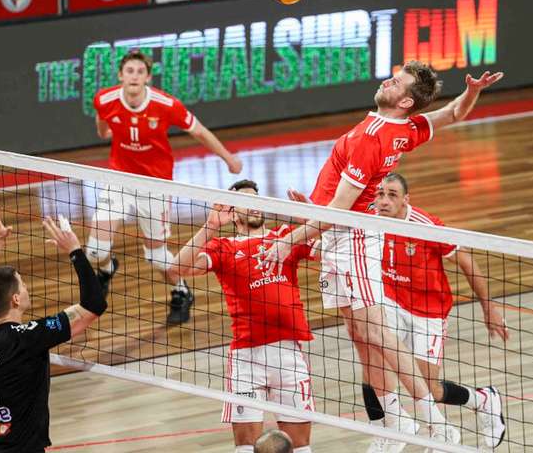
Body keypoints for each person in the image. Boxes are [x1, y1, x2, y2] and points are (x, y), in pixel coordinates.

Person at [266, 61, 504, 446]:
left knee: (378, 333)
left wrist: (291, 239)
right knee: (360, 336)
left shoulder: (373, 138)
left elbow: (341, 208)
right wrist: (473, 89)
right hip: (337, 237)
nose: (386, 81)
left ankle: (436, 425)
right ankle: (396, 422)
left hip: (351, 239)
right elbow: (455, 112)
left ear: (406, 100)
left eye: (396, 82)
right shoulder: (403, 131)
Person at [89, 50, 243, 325]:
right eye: (129, 71)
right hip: (119, 179)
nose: (134, 76)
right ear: (120, 76)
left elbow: (199, 132)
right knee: (95, 251)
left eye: (139, 71)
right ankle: (106, 267)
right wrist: (104, 133)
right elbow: (102, 123)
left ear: (147, 77)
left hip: (155, 184)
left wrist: (229, 159)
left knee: (157, 257)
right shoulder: (105, 98)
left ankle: (181, 292)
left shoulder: (166, 104)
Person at [364, 172, 509, 450]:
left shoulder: (425, 225)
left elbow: (466, 262)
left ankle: (483, 400)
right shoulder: (369, 215)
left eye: (392, 195)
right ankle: (389, 430)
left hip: (428, 312)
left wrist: (488, 307)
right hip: (392, 302)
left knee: (430, 387)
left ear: (406, 199)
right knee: (373, 359)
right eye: (380, 194)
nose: (383, 200)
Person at [171, 180, 314, 453]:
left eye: (256, 198)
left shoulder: (286, 237)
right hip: (247, 359)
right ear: (233, 213)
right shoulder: (222, 246)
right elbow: (177, 268)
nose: (254, 204)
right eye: (245, 201)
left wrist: (309, 220)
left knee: (301, 447)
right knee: (246, 448)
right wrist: (210, 225)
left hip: (289, 355)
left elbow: (330, 249)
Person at [0, 202, 109, 452]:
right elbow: (94, 305)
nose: (26, 287)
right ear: (16, 300)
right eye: (22, 285)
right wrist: (75, 251)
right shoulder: (28, 337)